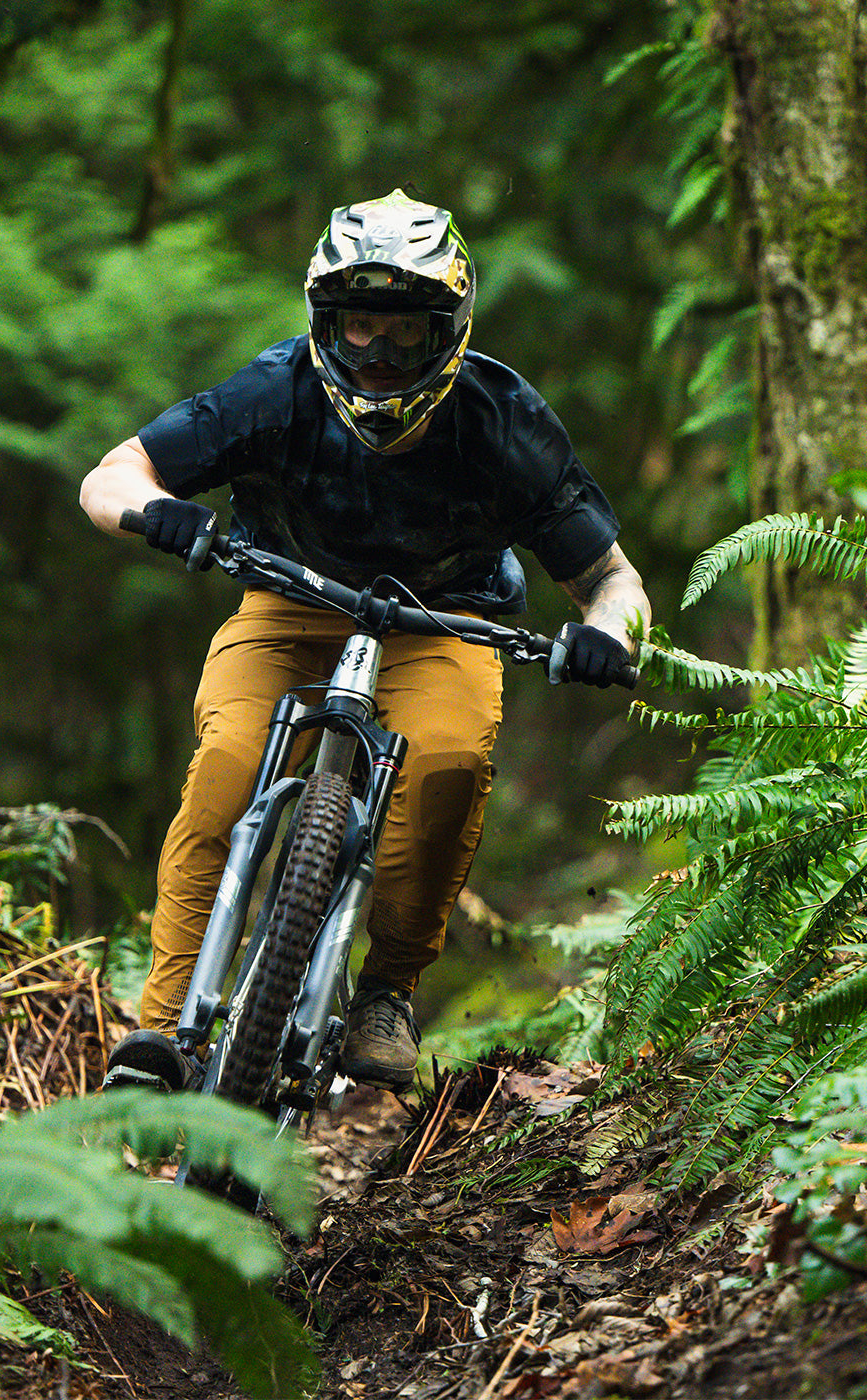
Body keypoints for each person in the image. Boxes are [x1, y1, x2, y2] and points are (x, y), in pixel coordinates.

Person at [80, 187, 651, 1093]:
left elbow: (612, 579)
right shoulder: (274, 391)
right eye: (358, 327)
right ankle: (163, 1032)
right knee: (227, 763)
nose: (379, 354)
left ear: (449, 327)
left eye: (405, 331)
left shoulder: (503, 421)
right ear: (324, 320)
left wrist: (605, 635)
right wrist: (158, 514)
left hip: (447, 620)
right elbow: (112, 473)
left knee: (448, 763)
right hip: (288, 601)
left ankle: (385, 990)